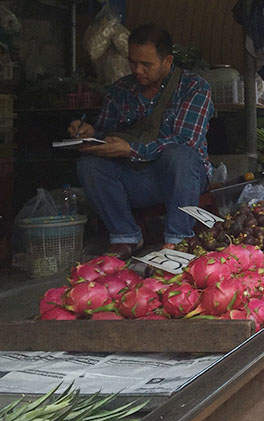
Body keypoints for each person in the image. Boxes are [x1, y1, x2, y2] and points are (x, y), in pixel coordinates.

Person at [71, 24, 214, 256]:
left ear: (167, 61)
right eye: (132, 62)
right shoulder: (120, 90)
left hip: (180, 180)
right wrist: (90, 135)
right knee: (89, 165)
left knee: (180, 156)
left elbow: (187, 141)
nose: (137, 70)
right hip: (136, 180)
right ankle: (125, 235)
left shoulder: (194, 88)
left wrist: (130, 149)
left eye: (146, 64)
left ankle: (177, 240)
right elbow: (105, 135)